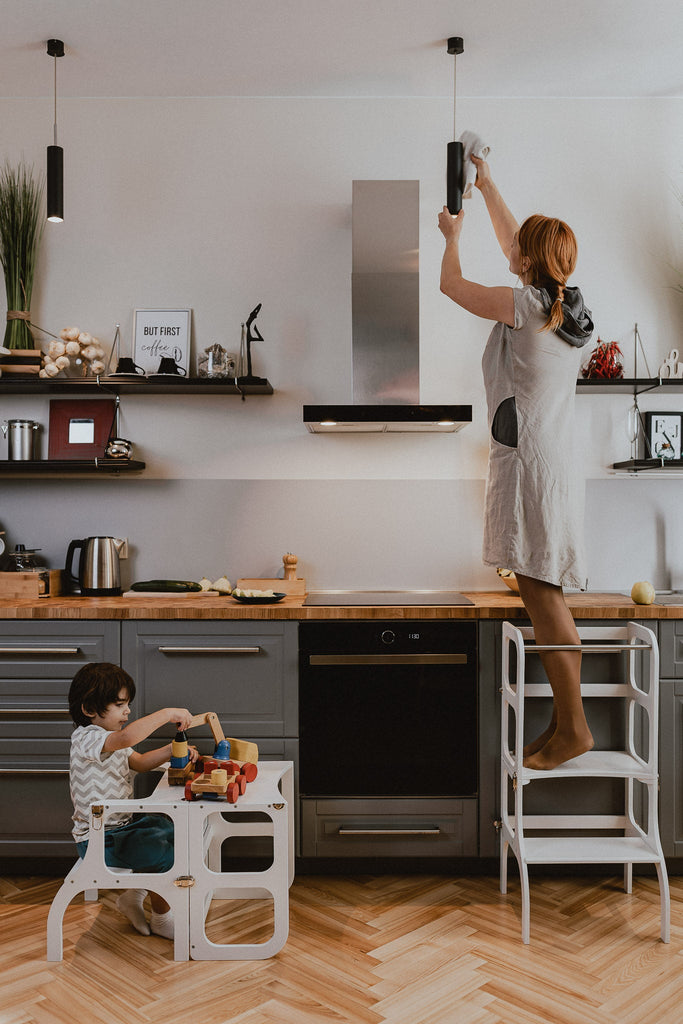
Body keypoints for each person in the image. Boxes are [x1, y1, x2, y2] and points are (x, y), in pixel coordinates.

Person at [438, 155, 595, 771]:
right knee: (544, 588)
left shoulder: (525, 307)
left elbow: (453, 287)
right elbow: (514, 243)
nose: (509, 252)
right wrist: (487, 182)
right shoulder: (567, 306)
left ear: (530, 264)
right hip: (552, 465)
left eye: (518, 252)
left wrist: (453, 237)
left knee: (540, 590)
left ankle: (574, 728)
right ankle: (566, 721)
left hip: (531, 464)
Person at [68, 662, 198, 938]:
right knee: (161, 852)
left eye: (127, 704)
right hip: (98, 840)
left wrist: (174, 749)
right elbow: (127, 738)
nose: (127, 711)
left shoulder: (109, 740)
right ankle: (162, 918)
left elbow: (138, 762)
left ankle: (132, 896)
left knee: (172, 830)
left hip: (122, 827)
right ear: (90, 710)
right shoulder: (87, 738)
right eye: (119, 704)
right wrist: (166, 714)